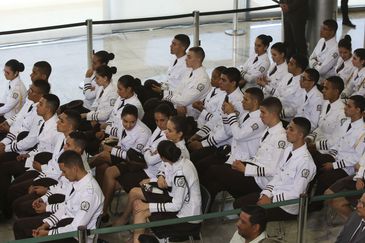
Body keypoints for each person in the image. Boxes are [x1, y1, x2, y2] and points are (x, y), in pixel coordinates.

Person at [201, 97, 285, 203]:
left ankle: (195, 206)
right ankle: (200, 210)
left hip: (260, 181)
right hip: (252, 169)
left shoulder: (280, 137)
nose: (260, 115)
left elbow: (273, 170)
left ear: (273, 114)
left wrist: (246, 169)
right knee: (216, 183)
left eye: (263, 112)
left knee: (214, 170)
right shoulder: (269, 130)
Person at [99, 103, 172, 223]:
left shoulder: (164, 136)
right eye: (156, 120)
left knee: (108, 168)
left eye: (162, 120)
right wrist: (149, 150)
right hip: (139, 163)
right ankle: (102, 207)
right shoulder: (159, 129)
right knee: (105, 168)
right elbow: (147, 148)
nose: (159, 123)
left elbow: (148, 158)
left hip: (147, 171)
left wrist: (147, 151)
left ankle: (105, 210)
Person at [234, 117, 316, 222]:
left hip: (286, 206)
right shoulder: (288, 150)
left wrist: (272, 200)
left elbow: (297, 193)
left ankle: (257, 232)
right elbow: (277, 175)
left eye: (291, 129)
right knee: (238, 204)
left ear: (300, 135)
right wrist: (266, 193)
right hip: (273, 195)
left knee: (248, 213)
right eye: (287, 128)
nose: (286, 131)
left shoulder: (306, 162)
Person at [112, 115, 189, 226]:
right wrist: (156, 178)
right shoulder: (171, 145)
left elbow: (173, 181)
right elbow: (163, 168)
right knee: (136, 194)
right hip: (162, 185)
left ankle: (125, 220)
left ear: (180, 134)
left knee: (135, 193)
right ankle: (132, 225)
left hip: (170, 194)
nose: (165, 132)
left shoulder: (180, 153)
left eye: (169, 130)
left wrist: (154, 180)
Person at [13, 150, 104, 242]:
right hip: (65, 224)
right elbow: (65, 207)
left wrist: (49, 233)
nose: (63, 175)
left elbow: (76, 228)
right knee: (19, 226)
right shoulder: (77, 182)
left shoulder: (90, 193)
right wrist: (47, 224)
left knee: (26, 230)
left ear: (74, 169)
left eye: (64, 171)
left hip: (76, 237)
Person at [131, 140, 201, 242]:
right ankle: (137, 237)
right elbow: (166, 177)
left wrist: (149, 206)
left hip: (186, 218)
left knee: (141, 212)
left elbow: (176, 205)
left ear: (162, 157)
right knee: (139, 194)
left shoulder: (180, 174)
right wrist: (153, 179)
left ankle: (138, 238)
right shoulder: (178, 160)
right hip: (169, 195)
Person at [311, 95, 365, 207]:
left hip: (346, 167)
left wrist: (334, 165)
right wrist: (331, 155)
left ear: (358, 110)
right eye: (346, 105)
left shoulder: (362, 132)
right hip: (335, 157)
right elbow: (338, 142)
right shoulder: (345, 122)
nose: (345, 108)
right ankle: (304, 195)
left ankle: (315, 206)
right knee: (313, 160)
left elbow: (355, 159)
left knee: (324, 178)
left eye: (349, 106)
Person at [188, 67, 244, 164]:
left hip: (223, 144)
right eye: (220, 79)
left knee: (196, 162)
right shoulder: (227, 95)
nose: (220, 82)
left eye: (223, 80)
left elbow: (228, 132)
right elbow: (215, 119)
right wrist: (199, 135)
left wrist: (203, 144)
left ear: (233, 83)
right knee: (188, 147)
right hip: (213, 136)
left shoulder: (239, 101)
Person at [90, 104, 151, 184]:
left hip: (134, 161)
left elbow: (133, 156)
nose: (128, 125)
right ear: (122, 118)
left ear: (137, 119)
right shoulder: (121, 122)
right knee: (101, 166)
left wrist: (111, 150)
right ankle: (99, 189)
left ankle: (85, 170)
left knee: (104, 156)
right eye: (125, 121)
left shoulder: (143, 132)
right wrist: (105, 129)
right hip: (122, 151)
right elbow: (119, 132)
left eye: (132, 122)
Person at [152, 47, 211, 118]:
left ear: (198, 59)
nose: (186, 59)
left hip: (189, 114)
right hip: (178, 106)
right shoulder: (190, 71)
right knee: (153, 104)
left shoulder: (202, 79)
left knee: (155, 109)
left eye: (189, 57)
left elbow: (184, 101)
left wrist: (164, 94)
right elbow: (178, 90)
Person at [0, 80, 50, 148]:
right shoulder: (29, 101)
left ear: (41, 95)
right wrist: (7, 122)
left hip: (17, 142)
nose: (28, 91)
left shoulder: (40, 114)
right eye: (30, 88)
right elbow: (19, 115)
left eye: (31, 90)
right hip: (10, 133)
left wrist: (9, 130)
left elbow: (27, 137)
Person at [306, 76, 346, 145]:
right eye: (323, 87)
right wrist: (310, 138)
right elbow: (321, 128)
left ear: (336, 91)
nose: (323, 90)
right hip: (316, 142)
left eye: (326, 88)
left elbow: (336, 139)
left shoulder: (342, 112)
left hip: (327, 150)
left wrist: (316, 146)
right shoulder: (326, 103)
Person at [273, 54, 308, 123]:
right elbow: (277, 92)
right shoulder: (288, 75)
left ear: (299, 68)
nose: (288, 64)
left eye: (291, 64)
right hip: (274, 110)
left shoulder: (302, 84)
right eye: (288, 62)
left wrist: (277, 114)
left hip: (285, 119)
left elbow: (295, 108)